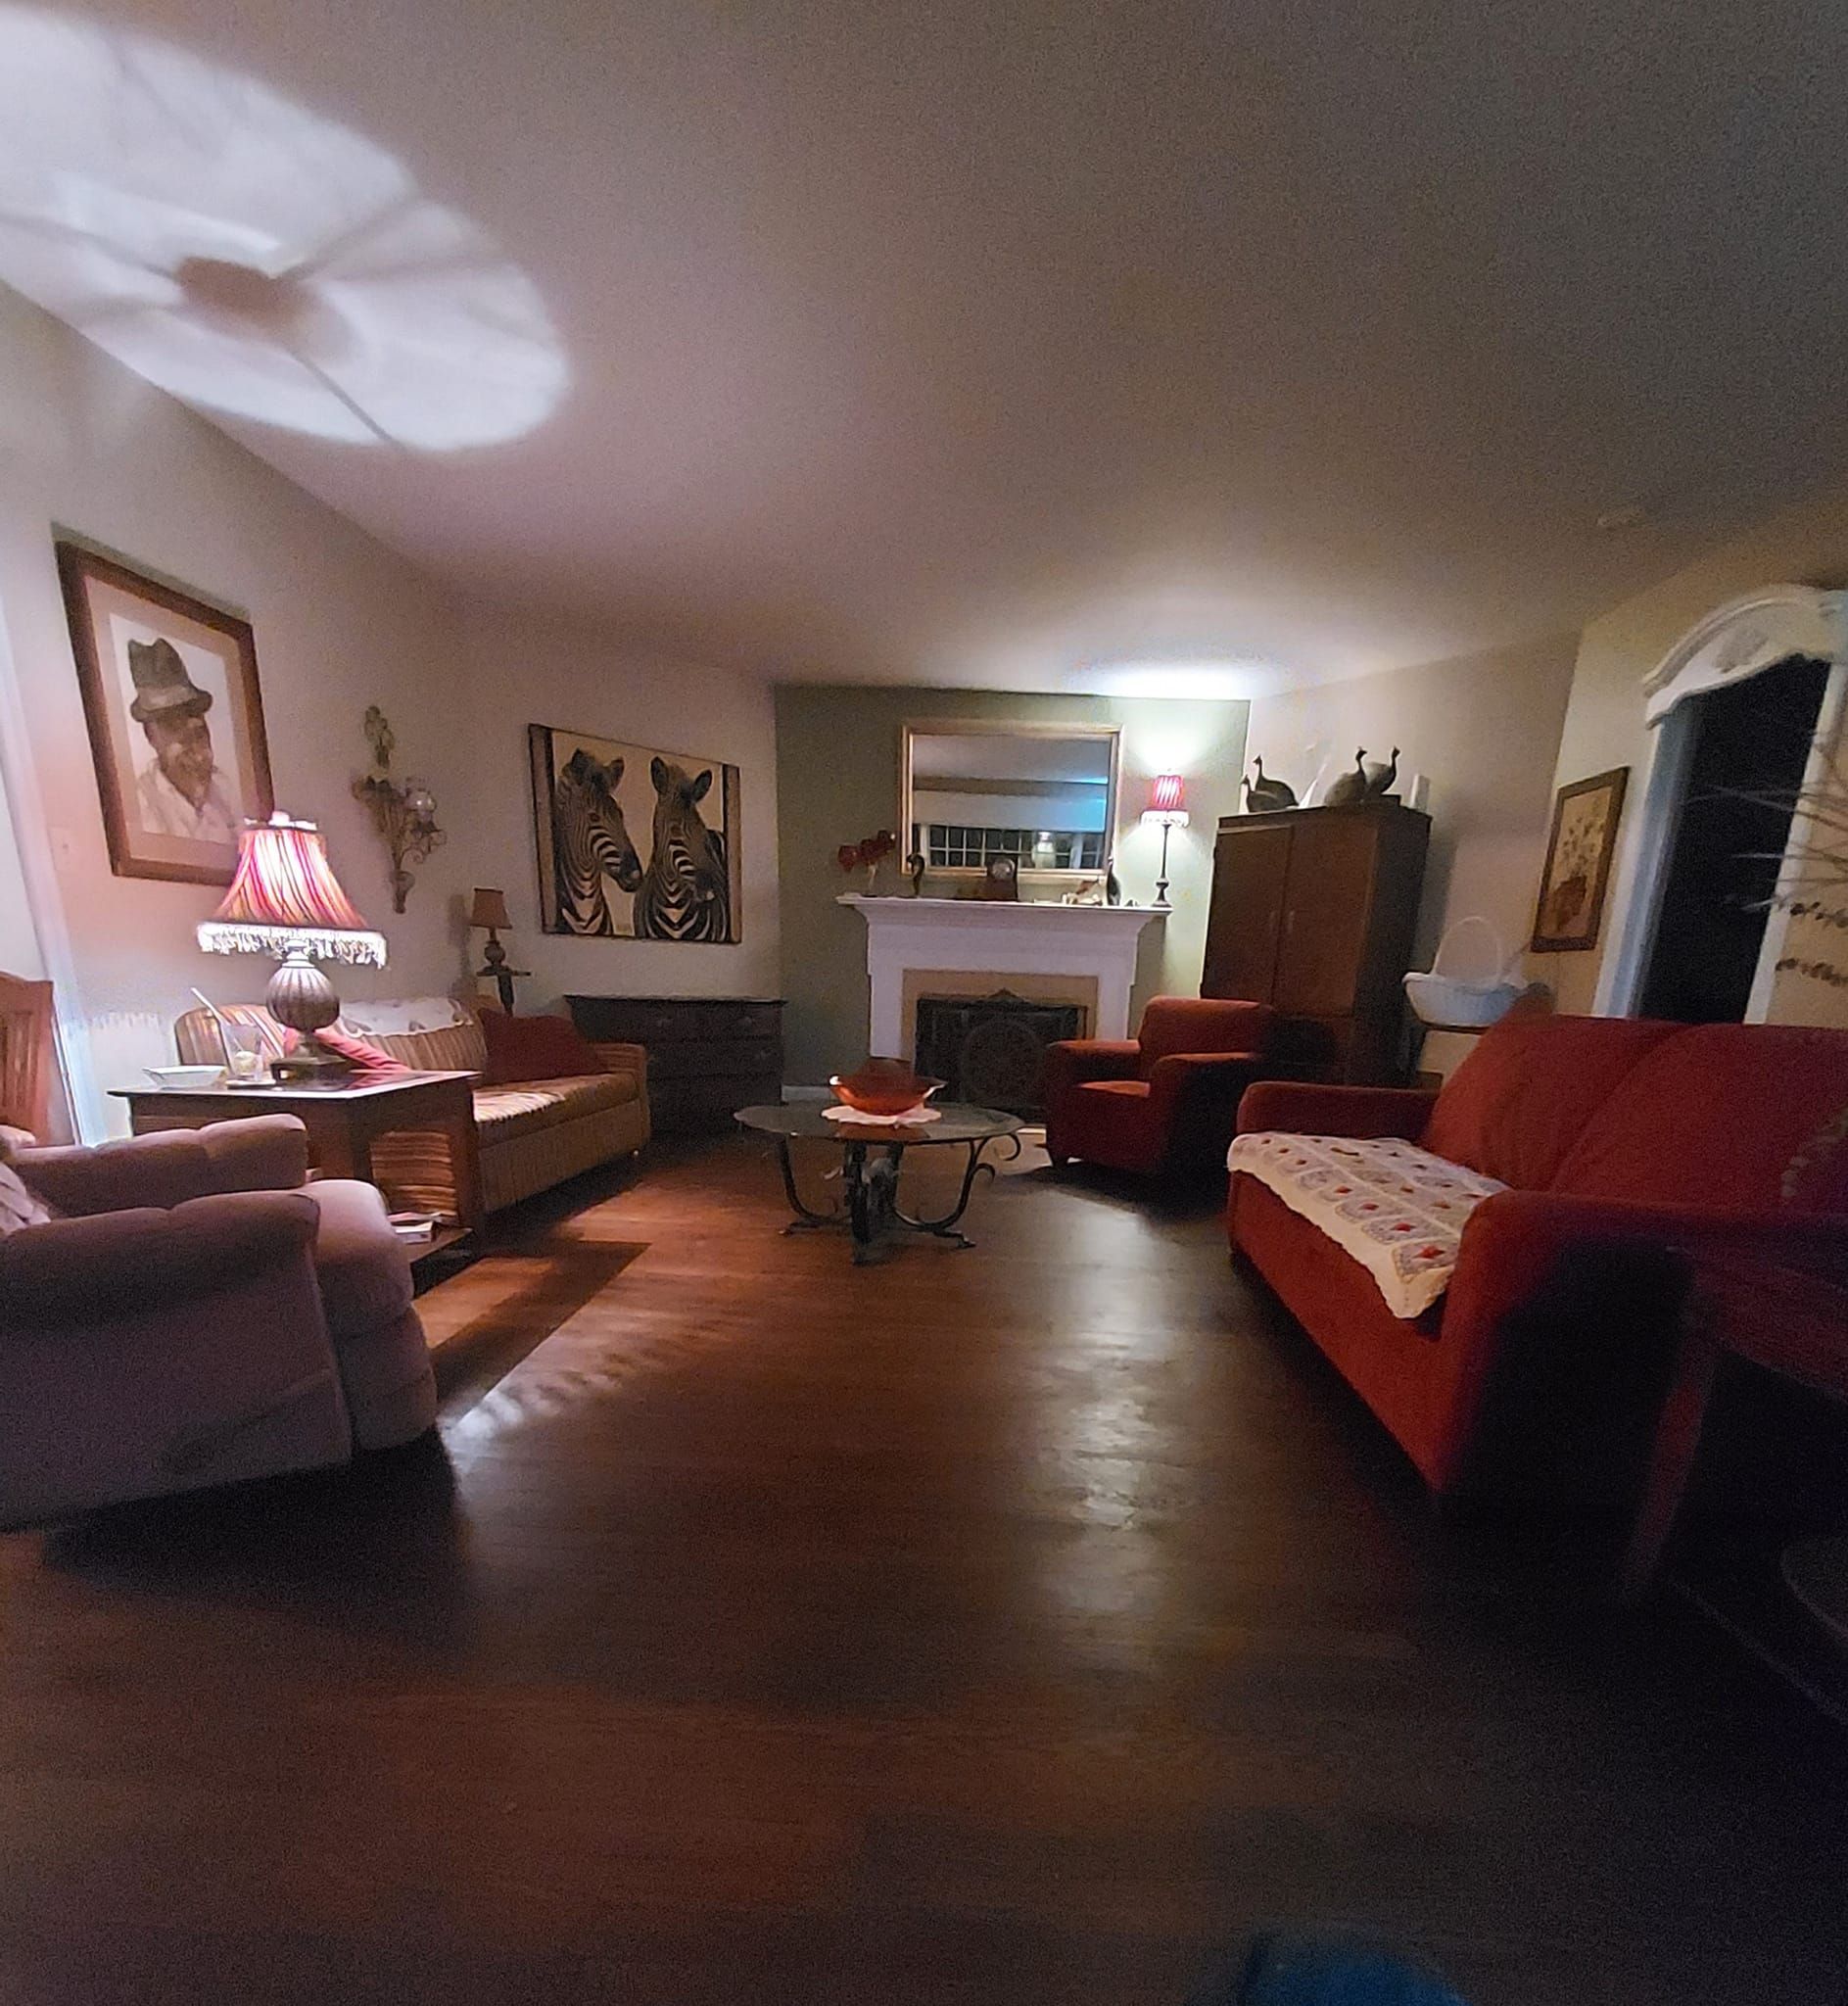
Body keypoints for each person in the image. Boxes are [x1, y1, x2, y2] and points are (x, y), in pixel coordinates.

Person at [127, 638, 238, 844]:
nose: (196, 752)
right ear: (151, 736)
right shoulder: (142, 803)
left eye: (199, 734)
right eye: (174, 730)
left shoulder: (225, 789)